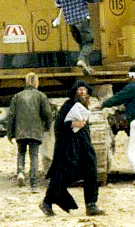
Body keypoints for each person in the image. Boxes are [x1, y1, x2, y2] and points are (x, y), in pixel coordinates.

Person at [43, 80, 105, 216]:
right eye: (80, 90)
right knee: (62, 175)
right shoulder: (68, 105)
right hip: (69, 147)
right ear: (75, 92)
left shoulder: (84, 107)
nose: (82, 92)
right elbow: (59, 125)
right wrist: (73, 123)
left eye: (84, 90)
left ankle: (91, 205)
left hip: (84, 146)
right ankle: (47, 202)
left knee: (91, 171)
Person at [56, 0, 108, 73]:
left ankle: (86, 67)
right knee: (89, 42)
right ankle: (82, 60)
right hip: (82, 18)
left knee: (81, 44)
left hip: (70, 21)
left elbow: (58, 3)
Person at [8, 71, 53, 191]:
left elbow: (11, 115)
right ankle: (34, 185)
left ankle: (21, 171)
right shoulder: (41, 96)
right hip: (35, 131)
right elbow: (47, 114)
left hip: (20, 131)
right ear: (36, 82)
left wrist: (10, 133)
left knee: (21, 152)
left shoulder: (17, 96)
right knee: (34, 156)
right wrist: (47, 127)